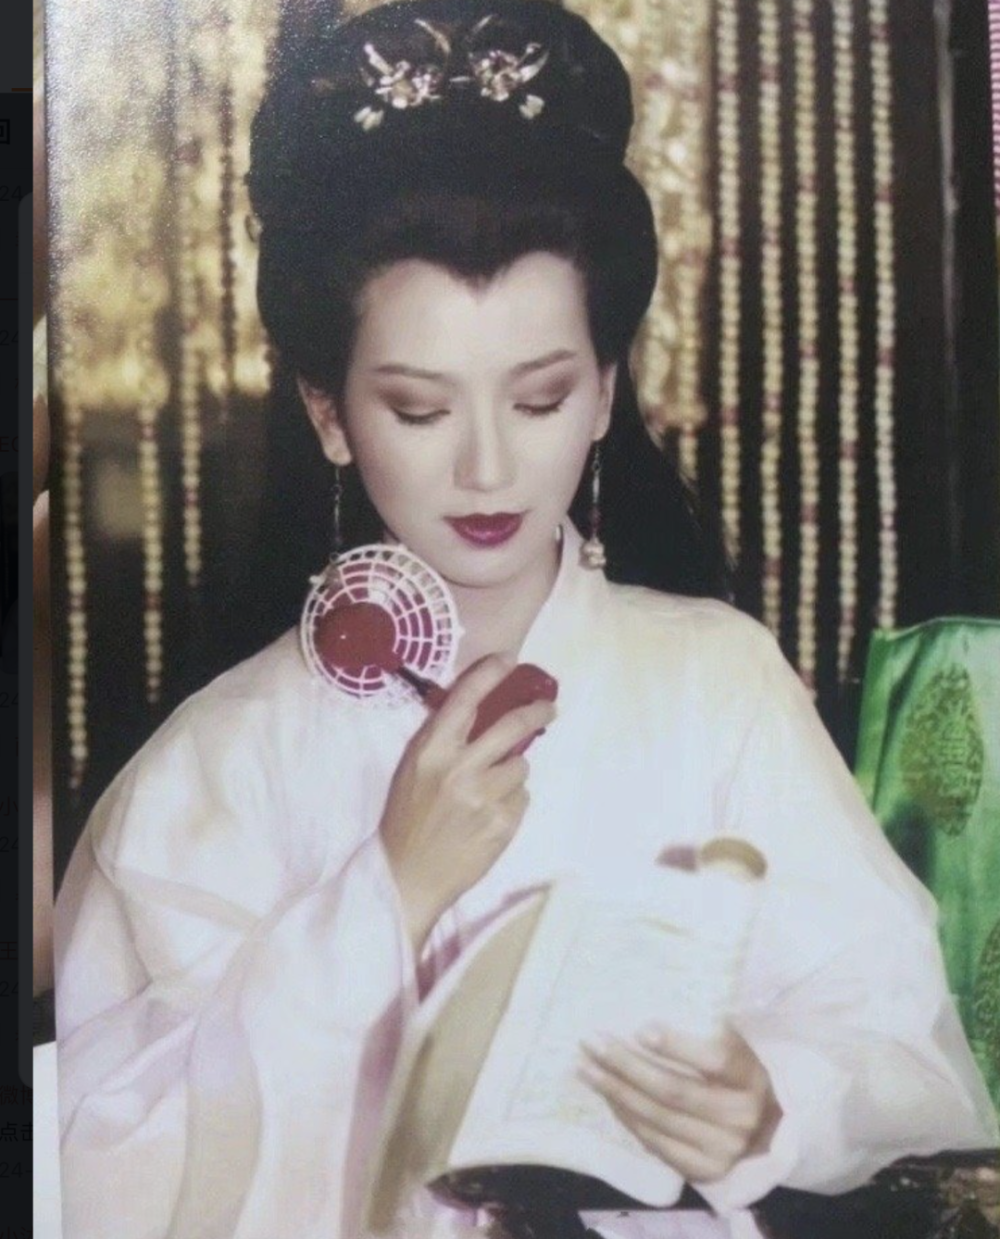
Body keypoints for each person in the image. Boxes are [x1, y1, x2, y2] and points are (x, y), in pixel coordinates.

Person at [54, 3, 997, 1237]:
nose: (488, 469)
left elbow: (901, 1043)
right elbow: (101, 1168)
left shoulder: (715, 683)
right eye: (420, 410)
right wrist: (386, 894)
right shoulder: (219, 761)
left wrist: (771, 1104)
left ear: (603, 392)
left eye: (540, 398)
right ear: (329, 414)